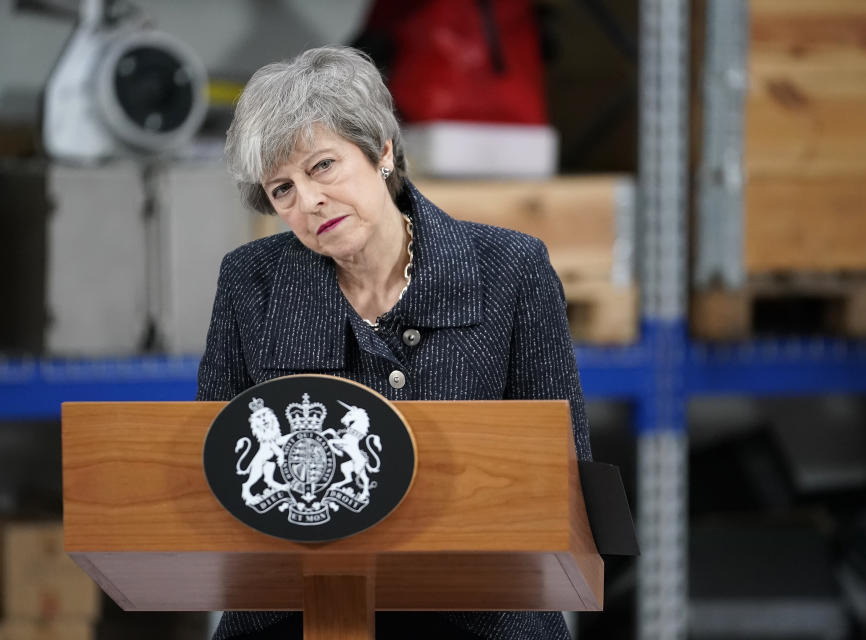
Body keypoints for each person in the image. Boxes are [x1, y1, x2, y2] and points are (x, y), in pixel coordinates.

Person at [197, 46, 592, 640]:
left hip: (480, 612)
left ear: (381, 150)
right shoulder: (248, 281)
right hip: (293, 609)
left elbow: (566, 472)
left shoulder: (512, 268)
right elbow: (209, 469)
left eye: (322, 166)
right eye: (281, 190)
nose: (307, 202)